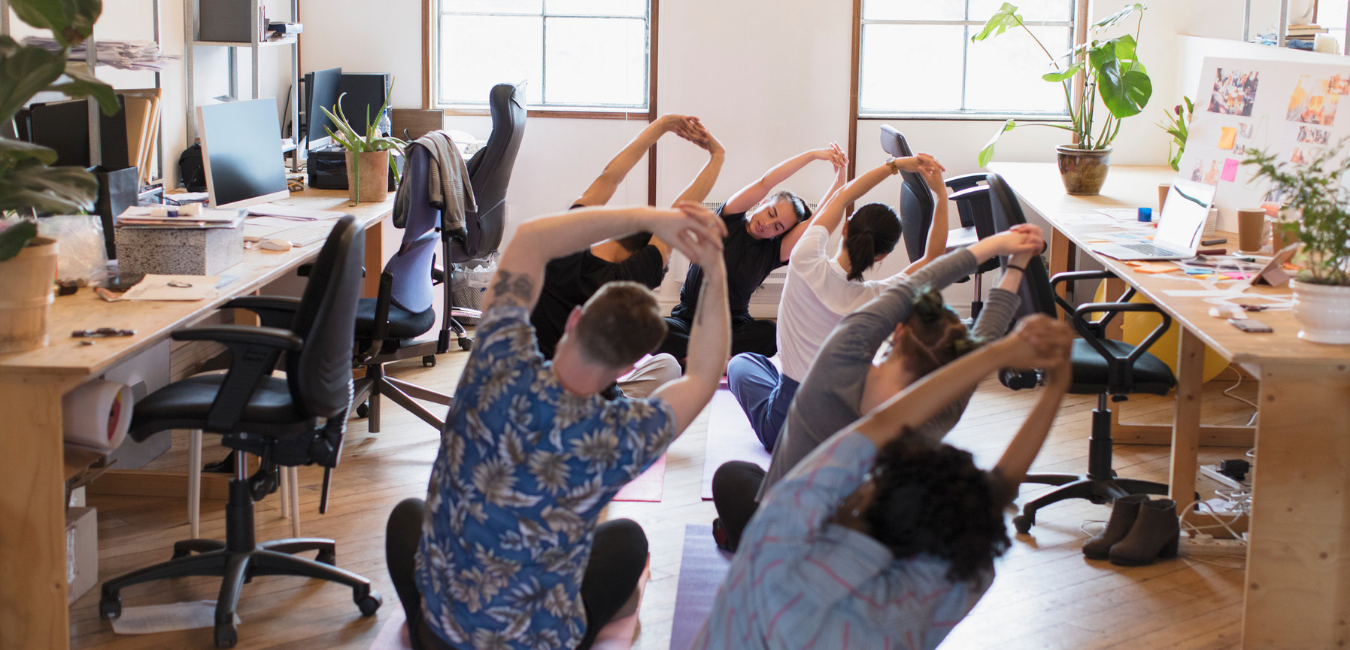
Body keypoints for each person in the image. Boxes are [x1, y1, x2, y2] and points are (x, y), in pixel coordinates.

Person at [385, 202, 731, 650]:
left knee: (408, 517)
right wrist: (716, 269)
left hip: (441, 633)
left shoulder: (497, 359)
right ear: (628, 365)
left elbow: (532, 238)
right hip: (535, 640)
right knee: (627, 542)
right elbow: (704, 375)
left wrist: (653, 219)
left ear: (574, 318)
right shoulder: (621, 437)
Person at [691, 314, 1076, 650]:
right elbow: (995, 495)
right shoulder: (939, 590)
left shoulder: (778, 552)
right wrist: (1056, 385)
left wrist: (1001, 352)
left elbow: (882, 424)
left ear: (862, 500)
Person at [712, 224, 1046, 552]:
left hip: (784, 538)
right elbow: (986, 340)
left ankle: (745, 539)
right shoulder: (945, 404)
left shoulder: (838, 363)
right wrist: (1016, 266)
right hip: (856, 550)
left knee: (734, 475)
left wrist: (996, 245)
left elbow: (907, 290)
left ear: (897, 332)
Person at [727, 152, 951, 451]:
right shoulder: (880, 296)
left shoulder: (804, 258)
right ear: (882, 255)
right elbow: (933, 257)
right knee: (760, 362)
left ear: (844, 229)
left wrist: (895, 165)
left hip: (785, 429)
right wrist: (940, 194)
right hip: (842, 421)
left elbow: (844, 195)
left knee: (741, 363)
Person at [529, 114, 724, 398]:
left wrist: (662, 125)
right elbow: (680, 213)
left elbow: (609, 177)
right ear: (640, 256)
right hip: (595, 400)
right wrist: (717, 155)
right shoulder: (628, 278)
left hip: (532, 387)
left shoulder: (564, 249)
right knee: (667, 365)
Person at [658, 145, 848, 361]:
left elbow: (815, 223)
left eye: (777, 227)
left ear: (781, 234)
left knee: (772, 332)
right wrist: (812, 155)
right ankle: (719, 360)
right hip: (688, 319)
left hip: (733, 328)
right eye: (770, 213)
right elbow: (766, 181)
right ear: (764, 202)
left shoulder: (774, 252)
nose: (767, 224)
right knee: (652, 328)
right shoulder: (729, 217)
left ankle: (696, 358)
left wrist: (839, 183)